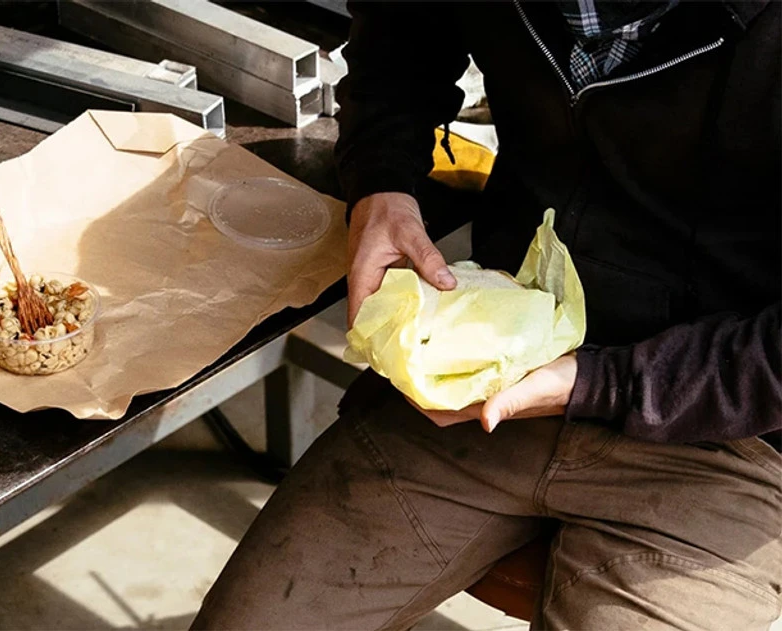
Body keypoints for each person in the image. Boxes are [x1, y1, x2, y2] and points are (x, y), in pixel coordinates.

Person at [192, 1, 780, 629]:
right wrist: (381, 183)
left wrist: (596, 383)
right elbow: (401, 33)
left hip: (724, 429)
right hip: (488, 374)